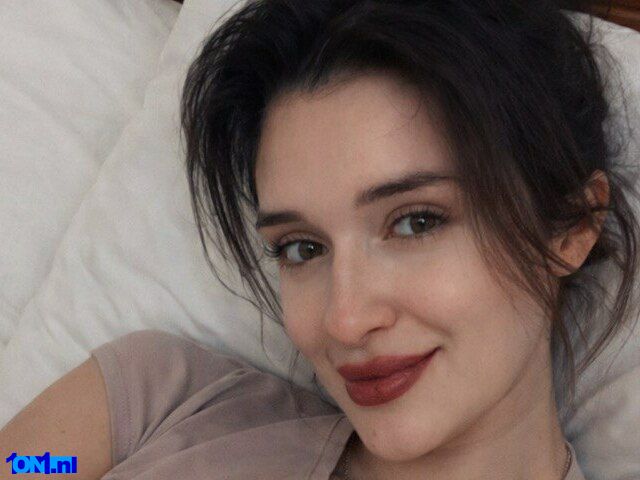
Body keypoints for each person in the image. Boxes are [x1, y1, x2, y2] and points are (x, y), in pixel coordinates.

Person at [1, 0, 638, 479]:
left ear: (571, 227)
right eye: (302, 248)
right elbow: (27, 467)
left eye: (416, 221)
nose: (344, 320)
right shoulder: (157, 400)